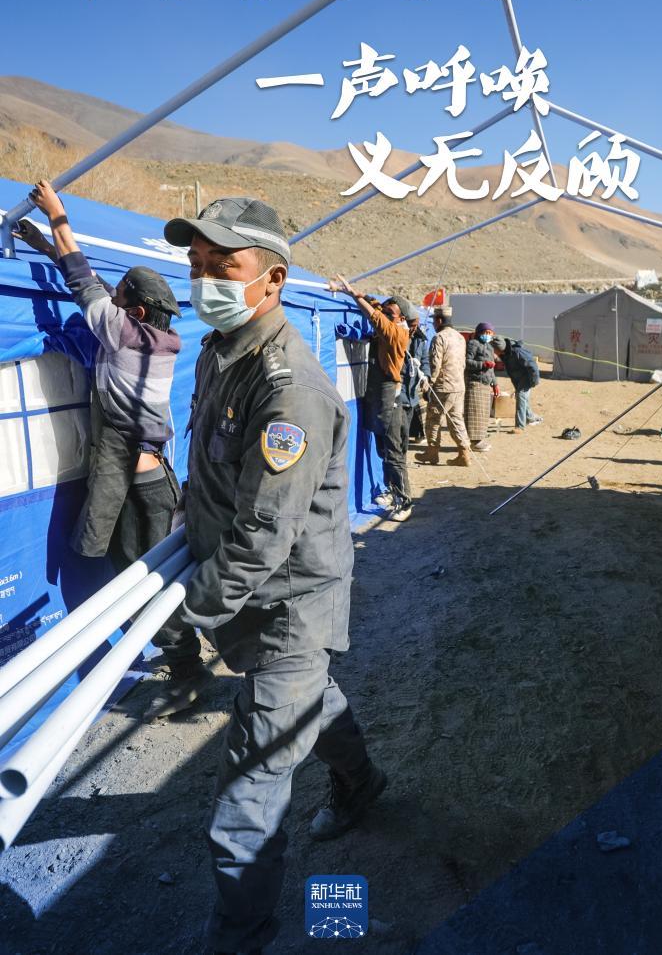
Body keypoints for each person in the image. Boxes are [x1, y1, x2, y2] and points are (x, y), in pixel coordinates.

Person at [156, 196, 386, 955]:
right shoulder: (220, 350)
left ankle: (239, 939)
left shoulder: (291, 390)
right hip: (249, 592)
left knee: (247, 797)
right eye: (196, 265)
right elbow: (213, 479)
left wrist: (186, 610)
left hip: (289, 603)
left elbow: (263, 534)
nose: (204, 280)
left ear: (273, 278)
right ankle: (363, 785)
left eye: (223, 266)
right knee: (314, 701)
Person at [14, 186, 190, 692]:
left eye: (121, 300)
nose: (113, 302)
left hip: (138, 488)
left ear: (135, 313)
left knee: (146, 579)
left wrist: (58, 215)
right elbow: (95, 285)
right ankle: (171, 661)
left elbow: (82, 281)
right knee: (126, 570)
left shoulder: (124, 336)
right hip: (136, 479)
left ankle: (186, 669)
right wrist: (43, 243)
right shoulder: (149, 337)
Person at [331, 277, 412, 522]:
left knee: (393, 453)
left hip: (390, 396)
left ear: (401, 318)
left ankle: (405, 501)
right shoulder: (386, 327)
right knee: (381, 448)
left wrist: (353, 295)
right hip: (376, 394)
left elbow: (375, 316)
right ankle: (390, 490)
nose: (385, 314)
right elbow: (376, 307)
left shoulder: (397, 333)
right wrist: (354, 293)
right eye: (385, 311)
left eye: (391, 313)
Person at [416, 305, 471, 467]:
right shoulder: (460, 337)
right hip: (458, 385)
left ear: (439, 320)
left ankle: (432, 453)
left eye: (434, 320)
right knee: (456, 420)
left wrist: (429, 384)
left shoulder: (439, 338)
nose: (433, 323)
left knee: (433, 419)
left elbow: (435, 364)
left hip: (443, 386)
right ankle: (464, 453)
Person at [492, 335, 542, 432]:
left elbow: (532, 365)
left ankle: (520, 426)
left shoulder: (518, 352)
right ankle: (531, 417)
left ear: (500, 349)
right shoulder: (504, 354)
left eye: (494, 350)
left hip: (526, 377)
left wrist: (534, 381)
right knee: (523, 399)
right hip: (517, 378)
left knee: (521, 397)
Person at [399, 299, 431, 445]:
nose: (414, 328)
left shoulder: (420, 339)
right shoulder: (396, 337)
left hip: (413, 391)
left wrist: (426, 377)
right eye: (412, 325)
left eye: (416, 325)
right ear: (403, 321)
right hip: (399, 392)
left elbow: (425, 360)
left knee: (408, 429)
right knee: (399, 430)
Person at [464, 321, 499, 452]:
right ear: (479, 333)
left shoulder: (489, 347)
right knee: (474, 413)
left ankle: (480, 439)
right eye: (486, 332)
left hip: (485, 384)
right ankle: (474, 442)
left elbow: (492, 369)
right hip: (475, 383)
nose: (488, 335)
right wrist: (482, 365)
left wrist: (495, 384)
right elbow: (466, 362)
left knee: (483, 414)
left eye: (490, 333)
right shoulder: (473, 344)